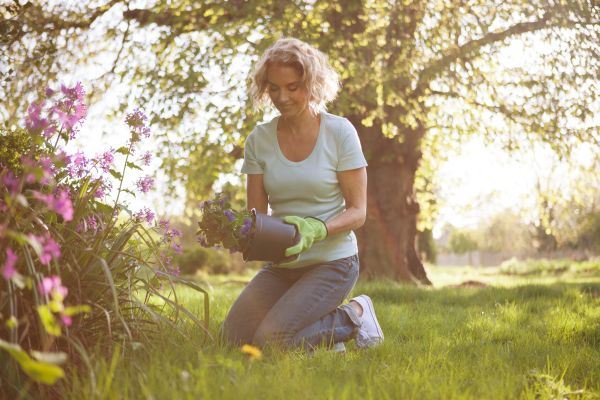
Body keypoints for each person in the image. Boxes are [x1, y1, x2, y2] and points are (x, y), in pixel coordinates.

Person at [221, 37, 384, 352]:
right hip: (282, 265)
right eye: (274, 88)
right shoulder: (259, 140)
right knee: (232, 340)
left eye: (293, 87)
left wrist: (316, 228)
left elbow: (358, 211)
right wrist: (235, 231)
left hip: (333, 262)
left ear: (313, 84)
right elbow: (256, 215)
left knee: (271, 341)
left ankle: (355, 316)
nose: (282, 97)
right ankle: (324, 335)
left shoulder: (339, 133)